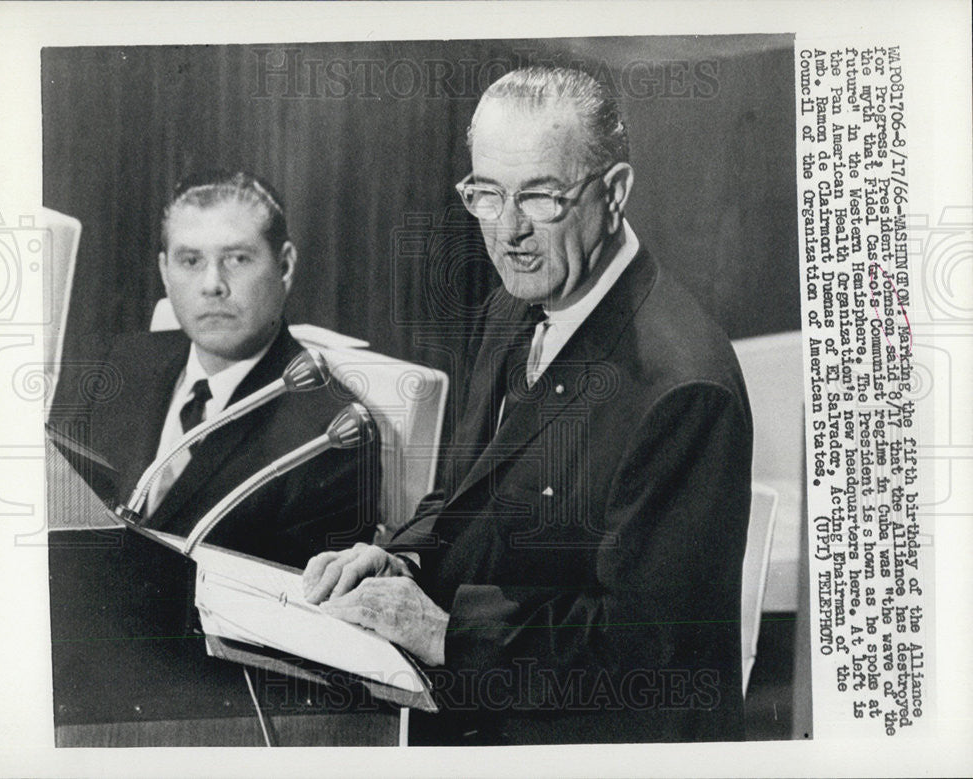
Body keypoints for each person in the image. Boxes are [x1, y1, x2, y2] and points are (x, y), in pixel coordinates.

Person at [301, 67, 752, 745]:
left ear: (616, 192)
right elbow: (463, 500)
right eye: (486, 193)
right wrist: (400, 560)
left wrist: (441, 630)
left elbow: (640, 650)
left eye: (540, 197)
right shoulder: (518, 302)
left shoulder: (683, 389)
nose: (507, 230)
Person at [52, 171, 380, 567]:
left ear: (285, 266)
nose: (212, 284)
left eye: (237, 259)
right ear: (164, 272)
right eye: (190, 261)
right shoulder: (117, 363)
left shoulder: (332, 432)